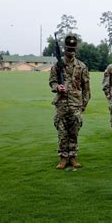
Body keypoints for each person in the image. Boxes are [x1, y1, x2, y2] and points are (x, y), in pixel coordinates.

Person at [49, 35, 91, 169]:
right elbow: (52, 81)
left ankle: (72, 157)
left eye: (73, 49)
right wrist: (57, 87)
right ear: (65, 48)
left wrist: (83, 105)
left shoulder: (82, 66)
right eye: (68, 49)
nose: (71, 52)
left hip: (75, 104)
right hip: (61, 104)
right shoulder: (57, 65)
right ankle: (63, 158)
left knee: (74, 132)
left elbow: (86, 89)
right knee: (62, 132)